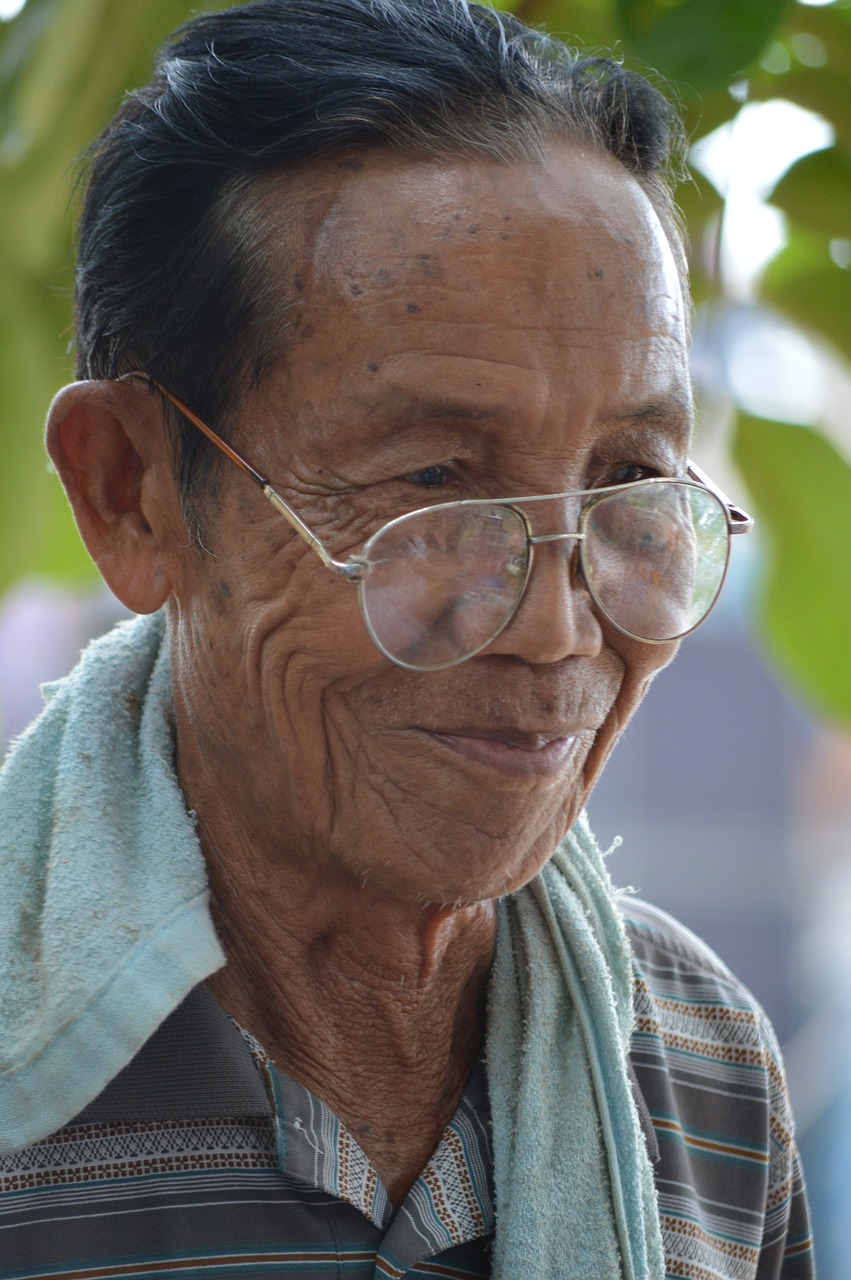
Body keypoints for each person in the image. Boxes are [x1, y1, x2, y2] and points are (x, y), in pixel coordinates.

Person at [0, 1, 814, 1276]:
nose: (557, 633)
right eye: (434, 485)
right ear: (130, 491)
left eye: (627, 485)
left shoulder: (696, 1070)